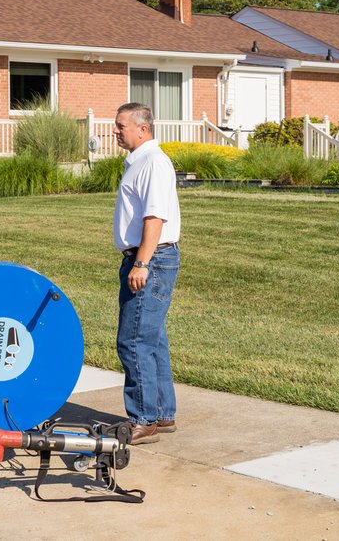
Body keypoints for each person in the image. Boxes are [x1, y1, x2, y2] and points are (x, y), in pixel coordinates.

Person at [111, 102, 181, 445]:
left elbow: (155, 218)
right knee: (153, 340)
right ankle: (163, 413)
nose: (115, 131)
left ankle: (144, 419)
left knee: (134, 341)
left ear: (142, 128)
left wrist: (141, 263)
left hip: (151, 260)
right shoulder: (140, 161)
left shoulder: (153, 162)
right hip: (148, 257)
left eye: (121, 125)